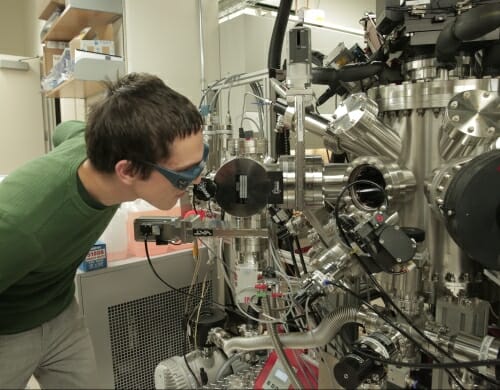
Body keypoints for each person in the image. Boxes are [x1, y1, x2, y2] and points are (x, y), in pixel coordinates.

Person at [0, 72, 207, 389]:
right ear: (126, 170)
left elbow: (64, 130)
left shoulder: (98, 145)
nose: (195, 181)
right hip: (9, 328)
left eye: (200, 162)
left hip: (61, 311)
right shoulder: (20, 226)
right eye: (183, 174)